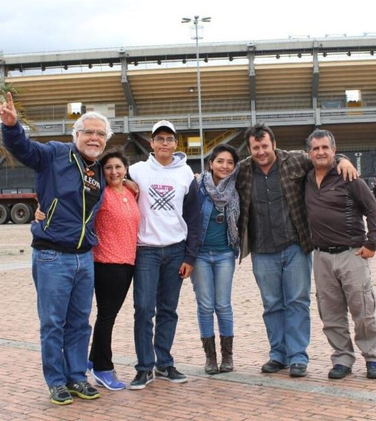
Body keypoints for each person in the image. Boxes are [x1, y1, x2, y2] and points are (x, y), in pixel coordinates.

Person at [0, 92, 105, 406]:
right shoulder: (55, 154)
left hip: (84, 257)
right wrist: (12, 126)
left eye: (100, 134)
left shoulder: (97, 170)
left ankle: (76, 377)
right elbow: (24, 149)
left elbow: (120, 182)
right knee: (52, 323)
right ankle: (56, 381)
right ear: (77, 135)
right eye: (89, 132)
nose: (94, 138)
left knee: (79, 323)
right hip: (52, 255)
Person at [235, 122, 356, 378]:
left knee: (297, 302)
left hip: (295, 247)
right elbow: (217, 180)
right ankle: (278, 355)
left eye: (265, 146)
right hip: (261, 249)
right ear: (249, 148)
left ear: (274, 144)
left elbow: (322, 157)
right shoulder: (243, 170)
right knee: (271, 304)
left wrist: (343, 159)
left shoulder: (295, 161)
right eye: (255, 147)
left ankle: (298, 356)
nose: (261, 151)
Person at [34, 148, 140, 391]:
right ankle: (100, 367)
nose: (114, 171)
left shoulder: (130, 192)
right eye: (109, 167)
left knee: (89, 321)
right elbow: (69, 203)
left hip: (127, 263)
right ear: (102, 172)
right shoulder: (99, 193)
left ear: (126, 169)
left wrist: (131, 184)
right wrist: (41, 210)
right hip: (105, 262)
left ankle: (84, 366)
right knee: (104, 318)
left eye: (119, 167)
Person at [304, 129, 376, 380]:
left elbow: (373, 209)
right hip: (321, 257)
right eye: (315, 148)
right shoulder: (304, 178)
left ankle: (372, 358)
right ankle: (342, 359)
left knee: (363, 309)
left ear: (334, 151)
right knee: (330, 313)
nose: (320, 152)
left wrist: (372, 243)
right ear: (309, 153)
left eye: (325, 147)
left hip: (352, 254)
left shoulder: (348, 176)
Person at [127, 120, 201, 390]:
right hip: (146, 250)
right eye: (160, 139)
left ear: (175, 143)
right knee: (144, 309)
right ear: (151, 143)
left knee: (168, 310)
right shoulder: (137, 171)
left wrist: (190, 257)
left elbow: (193, 218)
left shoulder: (186, 174)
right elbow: (112, 184)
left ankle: (164, 362)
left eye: (169, 139)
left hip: (175, 250)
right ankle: (144, 367)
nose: (165, 144)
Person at [191, 144, 240, 375]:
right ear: (211, 163)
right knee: (205, 305)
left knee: (223, 305)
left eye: (230, 162)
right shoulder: (197, 185)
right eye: (220, 161)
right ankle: (210, 358)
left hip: (224, 254)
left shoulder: (237, 186)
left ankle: (227, 356)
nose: (225, 166)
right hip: (200, 254)